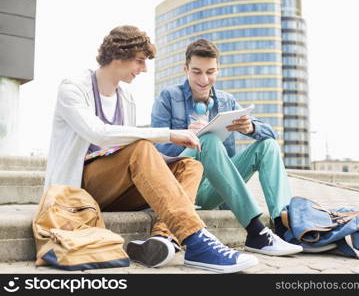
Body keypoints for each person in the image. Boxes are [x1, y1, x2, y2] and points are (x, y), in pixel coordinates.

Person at [44, 26, 258, 273]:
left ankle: (164, 238)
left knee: (189, 165)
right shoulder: (73, 88)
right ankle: (197, 239)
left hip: (116, 188)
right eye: (139, 61)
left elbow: (122, 146)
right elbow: (99, 134)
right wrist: (167, 134)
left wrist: (163, 159)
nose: (144, 69)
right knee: (141, 147)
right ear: (118, 54)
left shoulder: (127, 97)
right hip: (79, 190)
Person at [151, 39, 303, 256]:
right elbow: (157, 150)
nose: (204, 80)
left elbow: (272, 134)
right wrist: (187, 136)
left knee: (268, 145)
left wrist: (250, 128)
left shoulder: (226, 100)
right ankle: (256, 232)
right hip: (184, 185)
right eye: (196, 72)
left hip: (216, 189)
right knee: (209, 140)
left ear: (218, 70)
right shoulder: (168, 97)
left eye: (210, 72)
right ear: (185, 70)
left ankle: (283, 226)